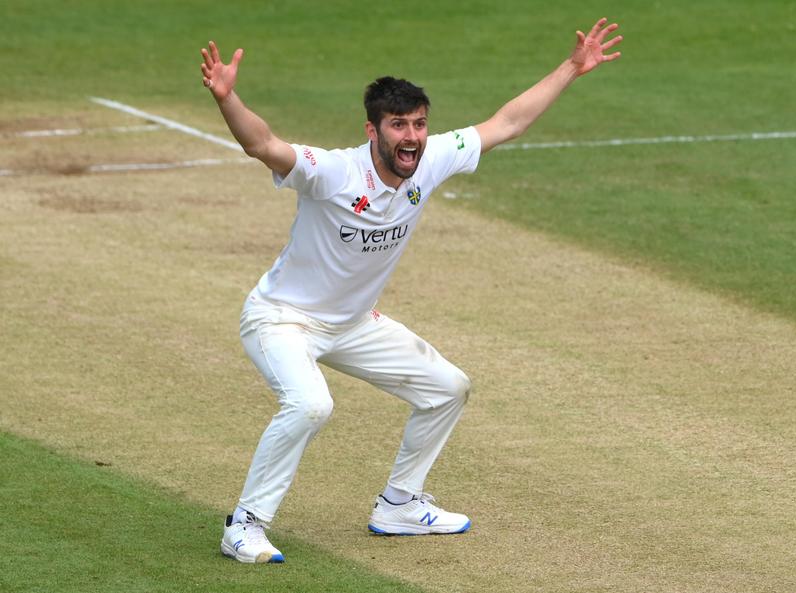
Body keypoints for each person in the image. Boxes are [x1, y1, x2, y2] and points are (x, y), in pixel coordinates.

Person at [200, 17, 622, 564]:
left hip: (352, 324)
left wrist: (572, 67)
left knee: (447, 387)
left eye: (419, 124)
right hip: (281, 318)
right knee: (309, 404)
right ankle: (245, 525)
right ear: (373, 130)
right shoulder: (332, 172)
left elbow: (507, 123)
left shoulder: (432, 158)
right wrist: (227, 99)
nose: (413, 137)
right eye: (399, 125)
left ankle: (398, 504)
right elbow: (264, 143)